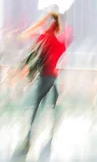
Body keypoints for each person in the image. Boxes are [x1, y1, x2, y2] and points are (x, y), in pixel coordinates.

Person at [19, 12, 67, 154]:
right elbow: (60, 55)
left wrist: (41, 23)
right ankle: (50, 138)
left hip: (44, 78)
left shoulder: (44, 38)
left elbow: (24, 36)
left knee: (36, 107)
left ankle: (30, 137)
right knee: (52, 108)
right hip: (53, 79)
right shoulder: (59, 43)